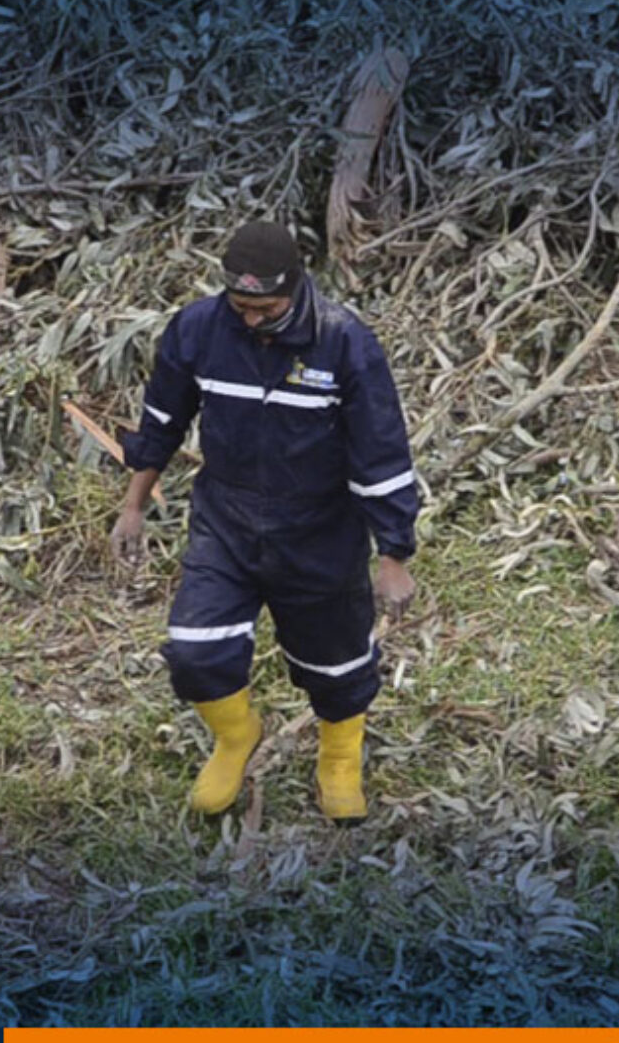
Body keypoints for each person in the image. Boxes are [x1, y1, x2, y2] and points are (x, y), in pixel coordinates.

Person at [111, 221, 419, 822]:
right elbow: (161, 422)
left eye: (267, 308)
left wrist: (394, 557)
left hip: (319, 529)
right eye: (241, 306)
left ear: (297, 289)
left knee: (336, 667)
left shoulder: (344, 341)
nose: (251, 320)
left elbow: (381, 452)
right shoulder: (199, 328)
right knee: (195, 651)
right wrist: (133, 506)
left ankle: (339, 759)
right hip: (225, 521)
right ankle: (235, 736)